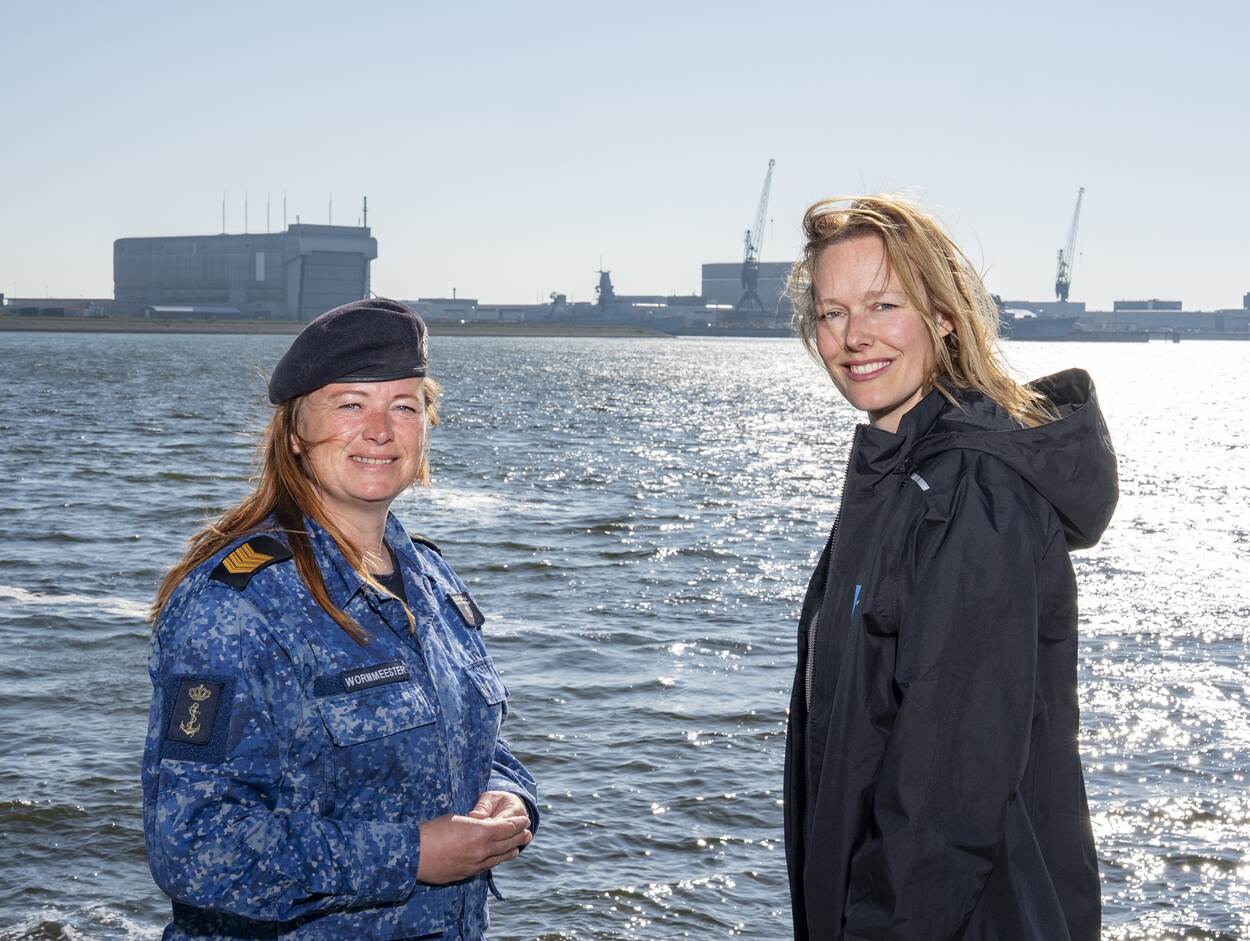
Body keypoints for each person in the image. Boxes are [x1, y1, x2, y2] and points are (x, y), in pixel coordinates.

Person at [142, 299, 538, 940]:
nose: (380, 430)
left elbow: (466, 745)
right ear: (297, 433)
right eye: (351, 405)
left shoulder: (430, 579)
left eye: (404, 407)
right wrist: (411, 856)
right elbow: (191, 846)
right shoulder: (239, 604)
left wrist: (510, 798)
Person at [781, 196, 1117, 940]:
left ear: (944, 316)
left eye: (883, 304)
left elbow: (945, 797)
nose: (853, 336)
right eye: (832, 312)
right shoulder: (895, 478)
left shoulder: (972, 494)